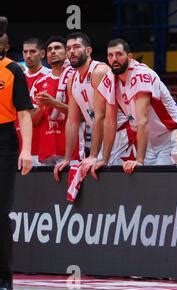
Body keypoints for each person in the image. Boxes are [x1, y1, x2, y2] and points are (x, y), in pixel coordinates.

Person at [95, 39, 177, 175]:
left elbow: (142, 120)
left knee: (162, 187)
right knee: (146, 189)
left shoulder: (141, 74)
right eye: (110, 55)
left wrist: (139, 160)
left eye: (119, 54)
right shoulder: (110, 79)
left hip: (173, 136)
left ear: (130, 57)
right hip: (150, 141)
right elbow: (110, 122)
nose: (114, 59)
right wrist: (104, 160)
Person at [53, 32, 133, 181]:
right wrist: (67, 158)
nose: (71, 51)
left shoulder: (99, 71)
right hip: (104, 137)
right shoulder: (72, 79)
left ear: (88, 51)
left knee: (121, 185)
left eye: (76, 47)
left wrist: (93, 155)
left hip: (123, 135)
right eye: (68, 48)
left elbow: (101, 117)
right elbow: (72, 121)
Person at [0, 17, 33, 290]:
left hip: (4, 143)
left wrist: (26, 150)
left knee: (0, 214)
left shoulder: (12, 70)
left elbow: (24, 113)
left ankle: (4, 281)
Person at [29, 36, 76, 165]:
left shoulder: (76, 78)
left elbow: (81, 115)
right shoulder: (39, 82)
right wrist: (43, 107)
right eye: (49, 49)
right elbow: (33, 120)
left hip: (72, 150)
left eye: (57, 48)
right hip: (46, 149)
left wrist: (54, 103)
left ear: (67, 52)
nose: (53, 51)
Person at [22, 38, 51, 166]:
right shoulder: (17, 77)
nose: (28, 55)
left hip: (42, 146)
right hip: (18, 145)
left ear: (42, 54)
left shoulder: (50, 76)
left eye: (32, 51)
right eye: (25, 52)